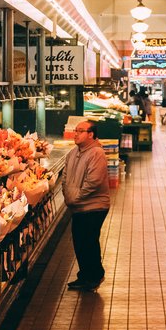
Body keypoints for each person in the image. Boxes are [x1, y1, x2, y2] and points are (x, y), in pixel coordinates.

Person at [62, 119, 111, 291]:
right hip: (79, 206)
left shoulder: (96, 153)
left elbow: (94, 182)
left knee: (89, 242)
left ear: (91, 134)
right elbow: (65, 177)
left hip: (94, 206)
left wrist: (75, 198)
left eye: (80, 131)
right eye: (75, 130)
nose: (75, 134)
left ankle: (95, 276)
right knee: (80, 242)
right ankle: (84, 275)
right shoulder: (73, 153)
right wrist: (68, 194)